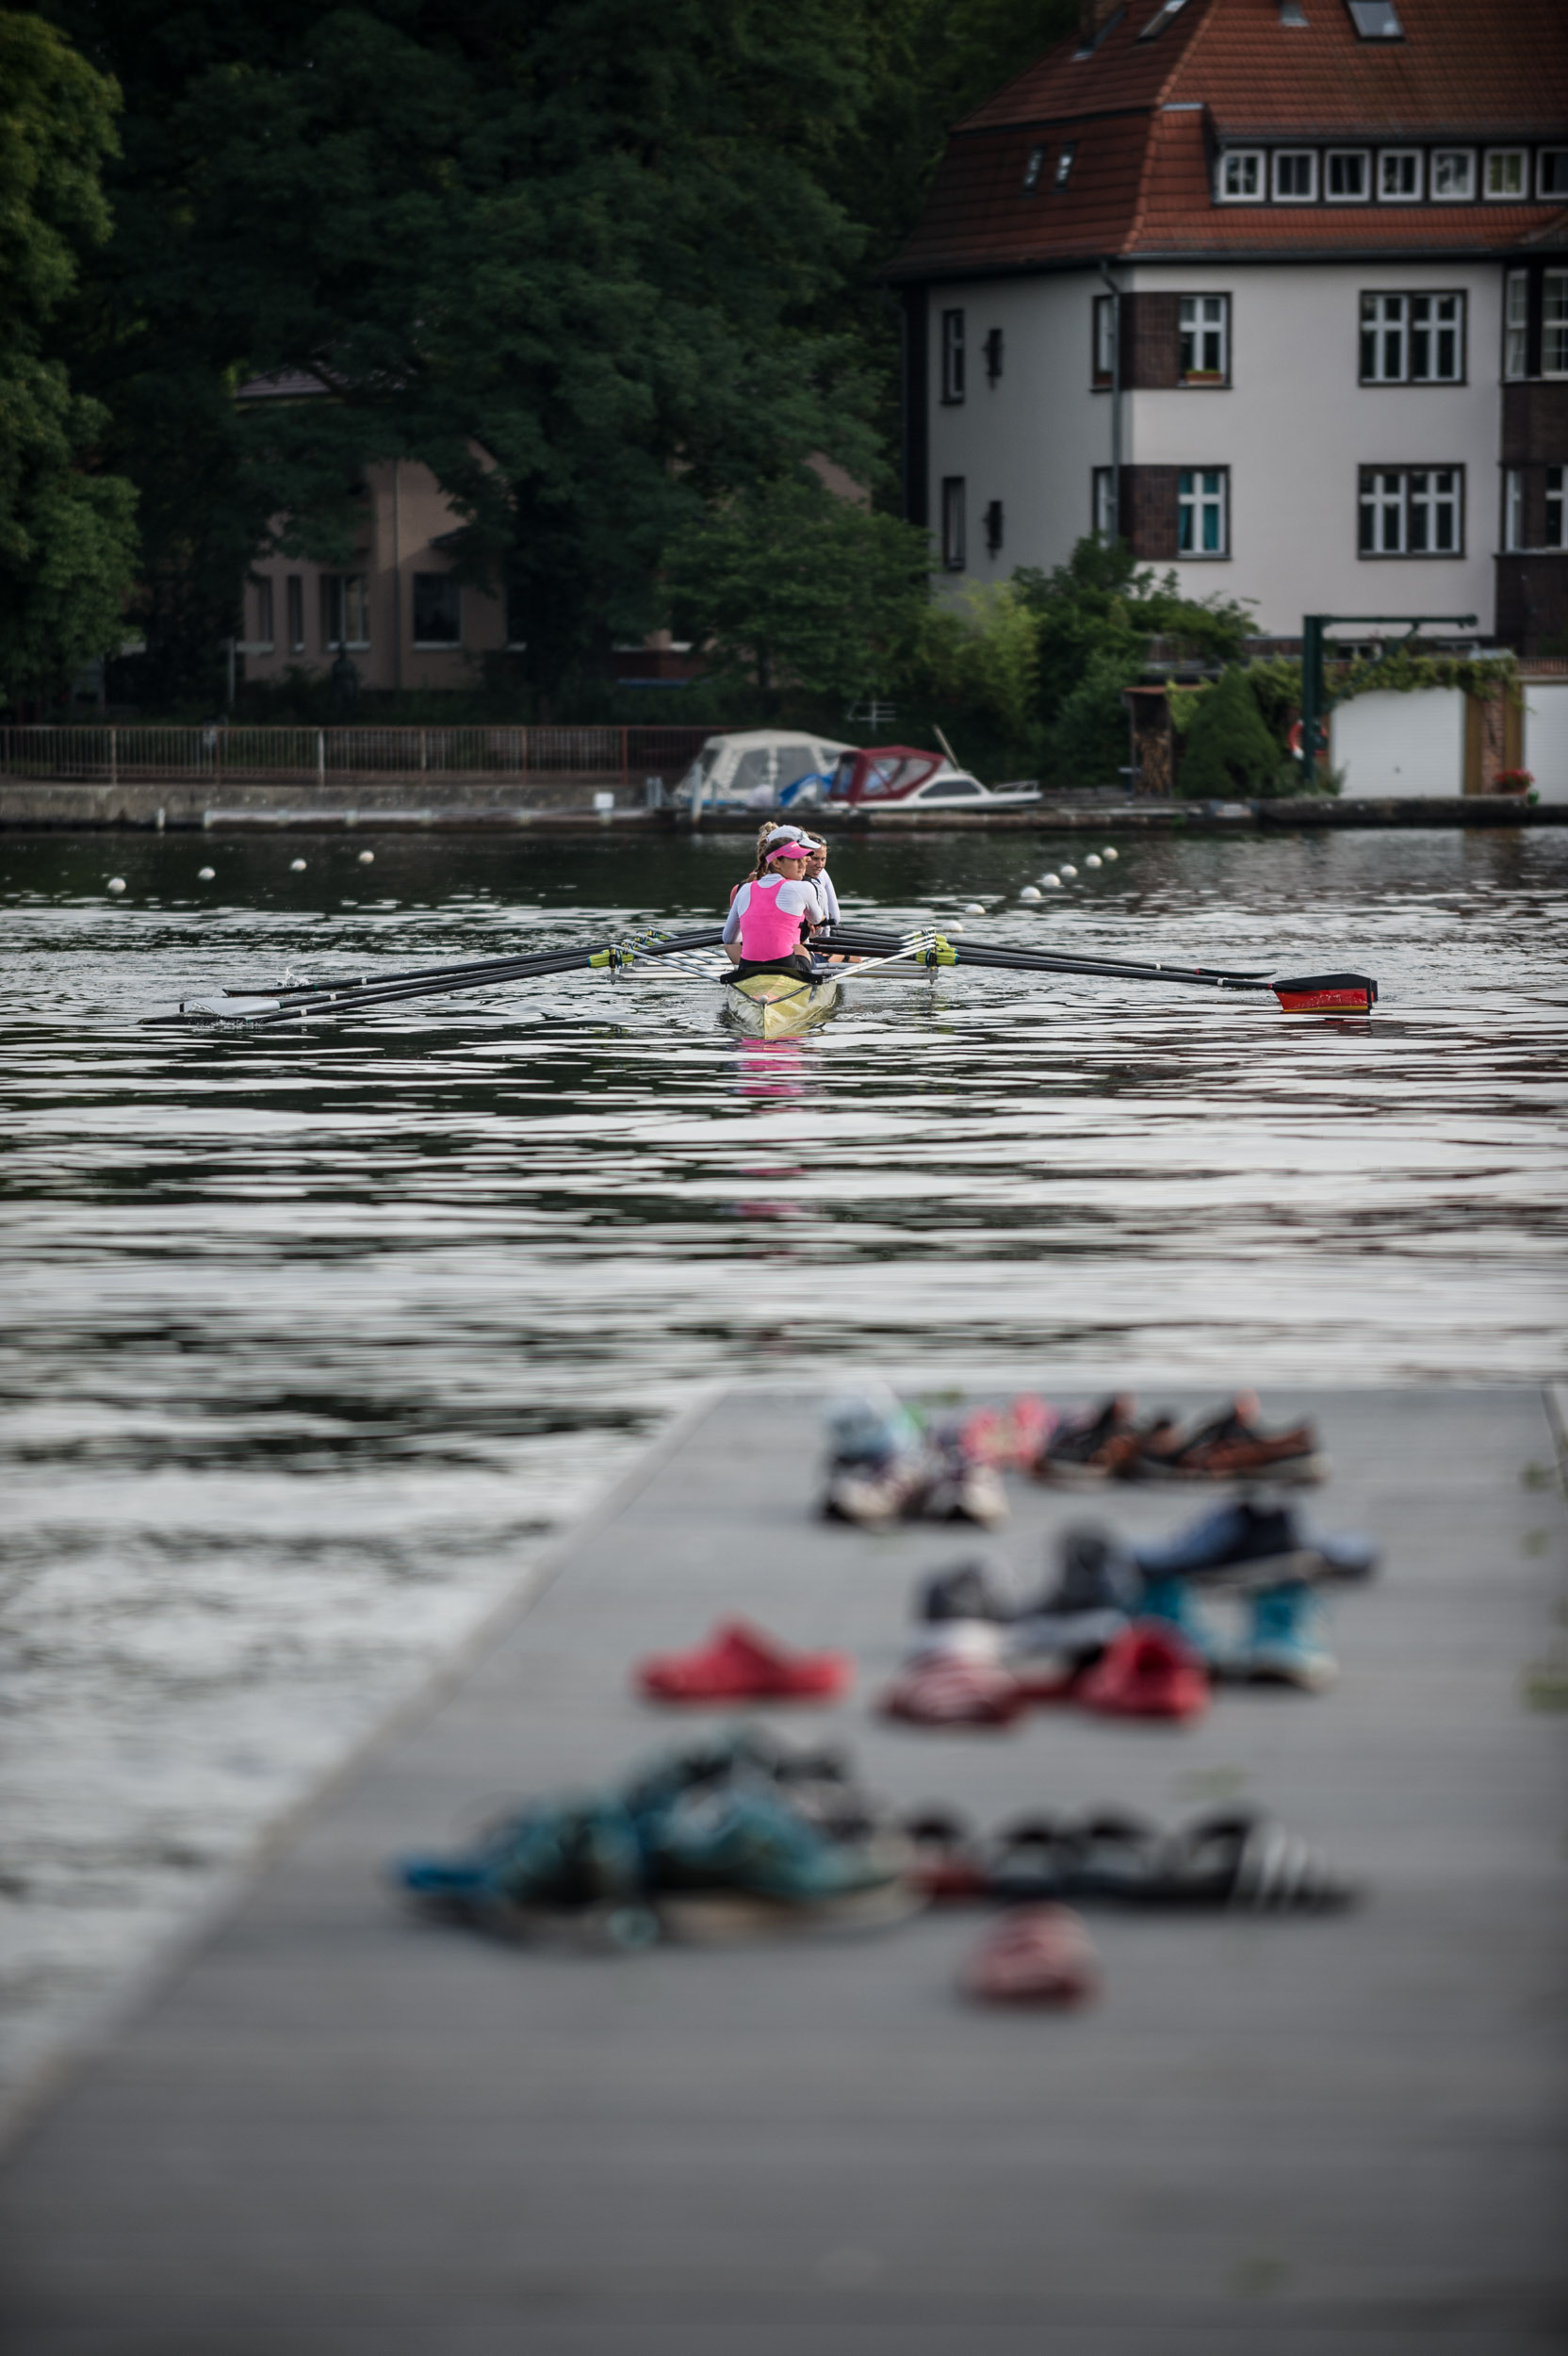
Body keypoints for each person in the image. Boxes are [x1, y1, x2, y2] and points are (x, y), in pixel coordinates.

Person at [723, 839, 823, 979]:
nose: (802, 866)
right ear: (776, 862)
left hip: (749, 966)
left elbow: (728, 938)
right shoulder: (803, 887)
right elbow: (816, 919)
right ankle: (810, 992)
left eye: (803, 860)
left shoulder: (745, 889)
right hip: (785, 965)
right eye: (795, 860)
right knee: (800, 949)